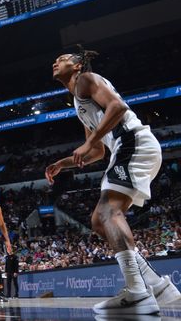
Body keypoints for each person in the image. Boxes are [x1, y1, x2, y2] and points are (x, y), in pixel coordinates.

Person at [45, 47, 179, 315]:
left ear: (78, 65)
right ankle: (155, 285)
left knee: (108, 211)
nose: (55, 62)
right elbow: (96, 152)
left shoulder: (87, 80)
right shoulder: (78, 100)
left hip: (132, 142)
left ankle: (138, 292)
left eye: (62, 59)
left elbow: (118, 107)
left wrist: (90, 142)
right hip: (127, 147)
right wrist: (63, 163)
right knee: (98, 220)